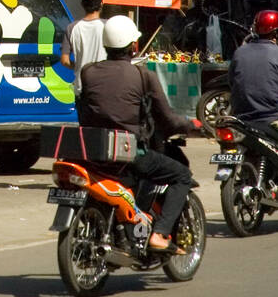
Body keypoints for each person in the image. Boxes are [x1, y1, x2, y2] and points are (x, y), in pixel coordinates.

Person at [79, 15, 203, 251]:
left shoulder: (88, 72)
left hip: (94, 151)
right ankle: (160, 234)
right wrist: (191, 125)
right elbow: (167, 120)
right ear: (134, 46)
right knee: (181, 175)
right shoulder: (143, 76)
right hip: (129, 153)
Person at [228, 10, 278, 159]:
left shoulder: (239, 52)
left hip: (239, 118)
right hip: (271, 118)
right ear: (277, 33)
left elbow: (231, 82)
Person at [60, 0, 106, 99]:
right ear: (101, 4)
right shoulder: (107, 26)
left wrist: (78, 66)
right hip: (103, 87)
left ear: (82, 4)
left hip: (81, 88)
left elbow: (64, 61)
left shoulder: (71, 28)